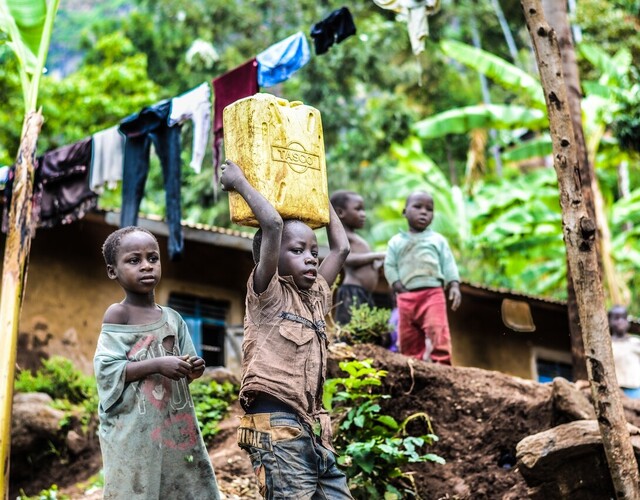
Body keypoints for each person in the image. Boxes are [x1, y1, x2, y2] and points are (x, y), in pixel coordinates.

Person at [220, 159, 352, 499]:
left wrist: (317, 190)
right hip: (275, 426)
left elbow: (342, 248)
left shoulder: (317, 295)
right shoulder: (267, 293)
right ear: (271, 257)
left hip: (314, 430)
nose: (311, 258)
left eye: (313, 251)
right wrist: (239, 182)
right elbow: (273, 225)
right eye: (298, 251)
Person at [94, 226, 220, 499]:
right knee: (135, 488)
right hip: (131, 430)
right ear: (112, 271)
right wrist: (157, 364)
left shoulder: (173, 318)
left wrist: (193, 368)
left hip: (172, 424)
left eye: (153, 258)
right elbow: (107, 370)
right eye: (134, 260)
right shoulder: (119, 314)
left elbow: (186, 367)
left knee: (180, 485)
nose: (146, 266)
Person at [384, 191, 461, 365]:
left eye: (429, 209)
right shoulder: (395, 241)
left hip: (433, 294)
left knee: (437, 330)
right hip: (405, 297)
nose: (424, 212)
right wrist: (397, 285)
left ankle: (442, 363)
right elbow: (389, 265)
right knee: (408, 335)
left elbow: (448, 263)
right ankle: (413, 365)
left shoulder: (437, 240)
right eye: (417, 207)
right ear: (404, 212)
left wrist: (454, 285)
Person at [330, 190, 386, 325]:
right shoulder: (341, 236)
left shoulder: (356, 237)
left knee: (363, 331)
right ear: (340, 213)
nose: (363, 214)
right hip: (352, 291)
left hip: (363, 292)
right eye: (358, 209)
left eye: (364, 210)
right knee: (350, 332)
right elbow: (346, 258)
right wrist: (376, 255)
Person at [609, 305, 640, 398]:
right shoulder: (607, 344)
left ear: (627, 321)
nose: (620, 322)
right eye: (616, 318)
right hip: (615, 390)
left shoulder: (636, 342)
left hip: (636, 389)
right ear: (609, 321)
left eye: (623, 318)